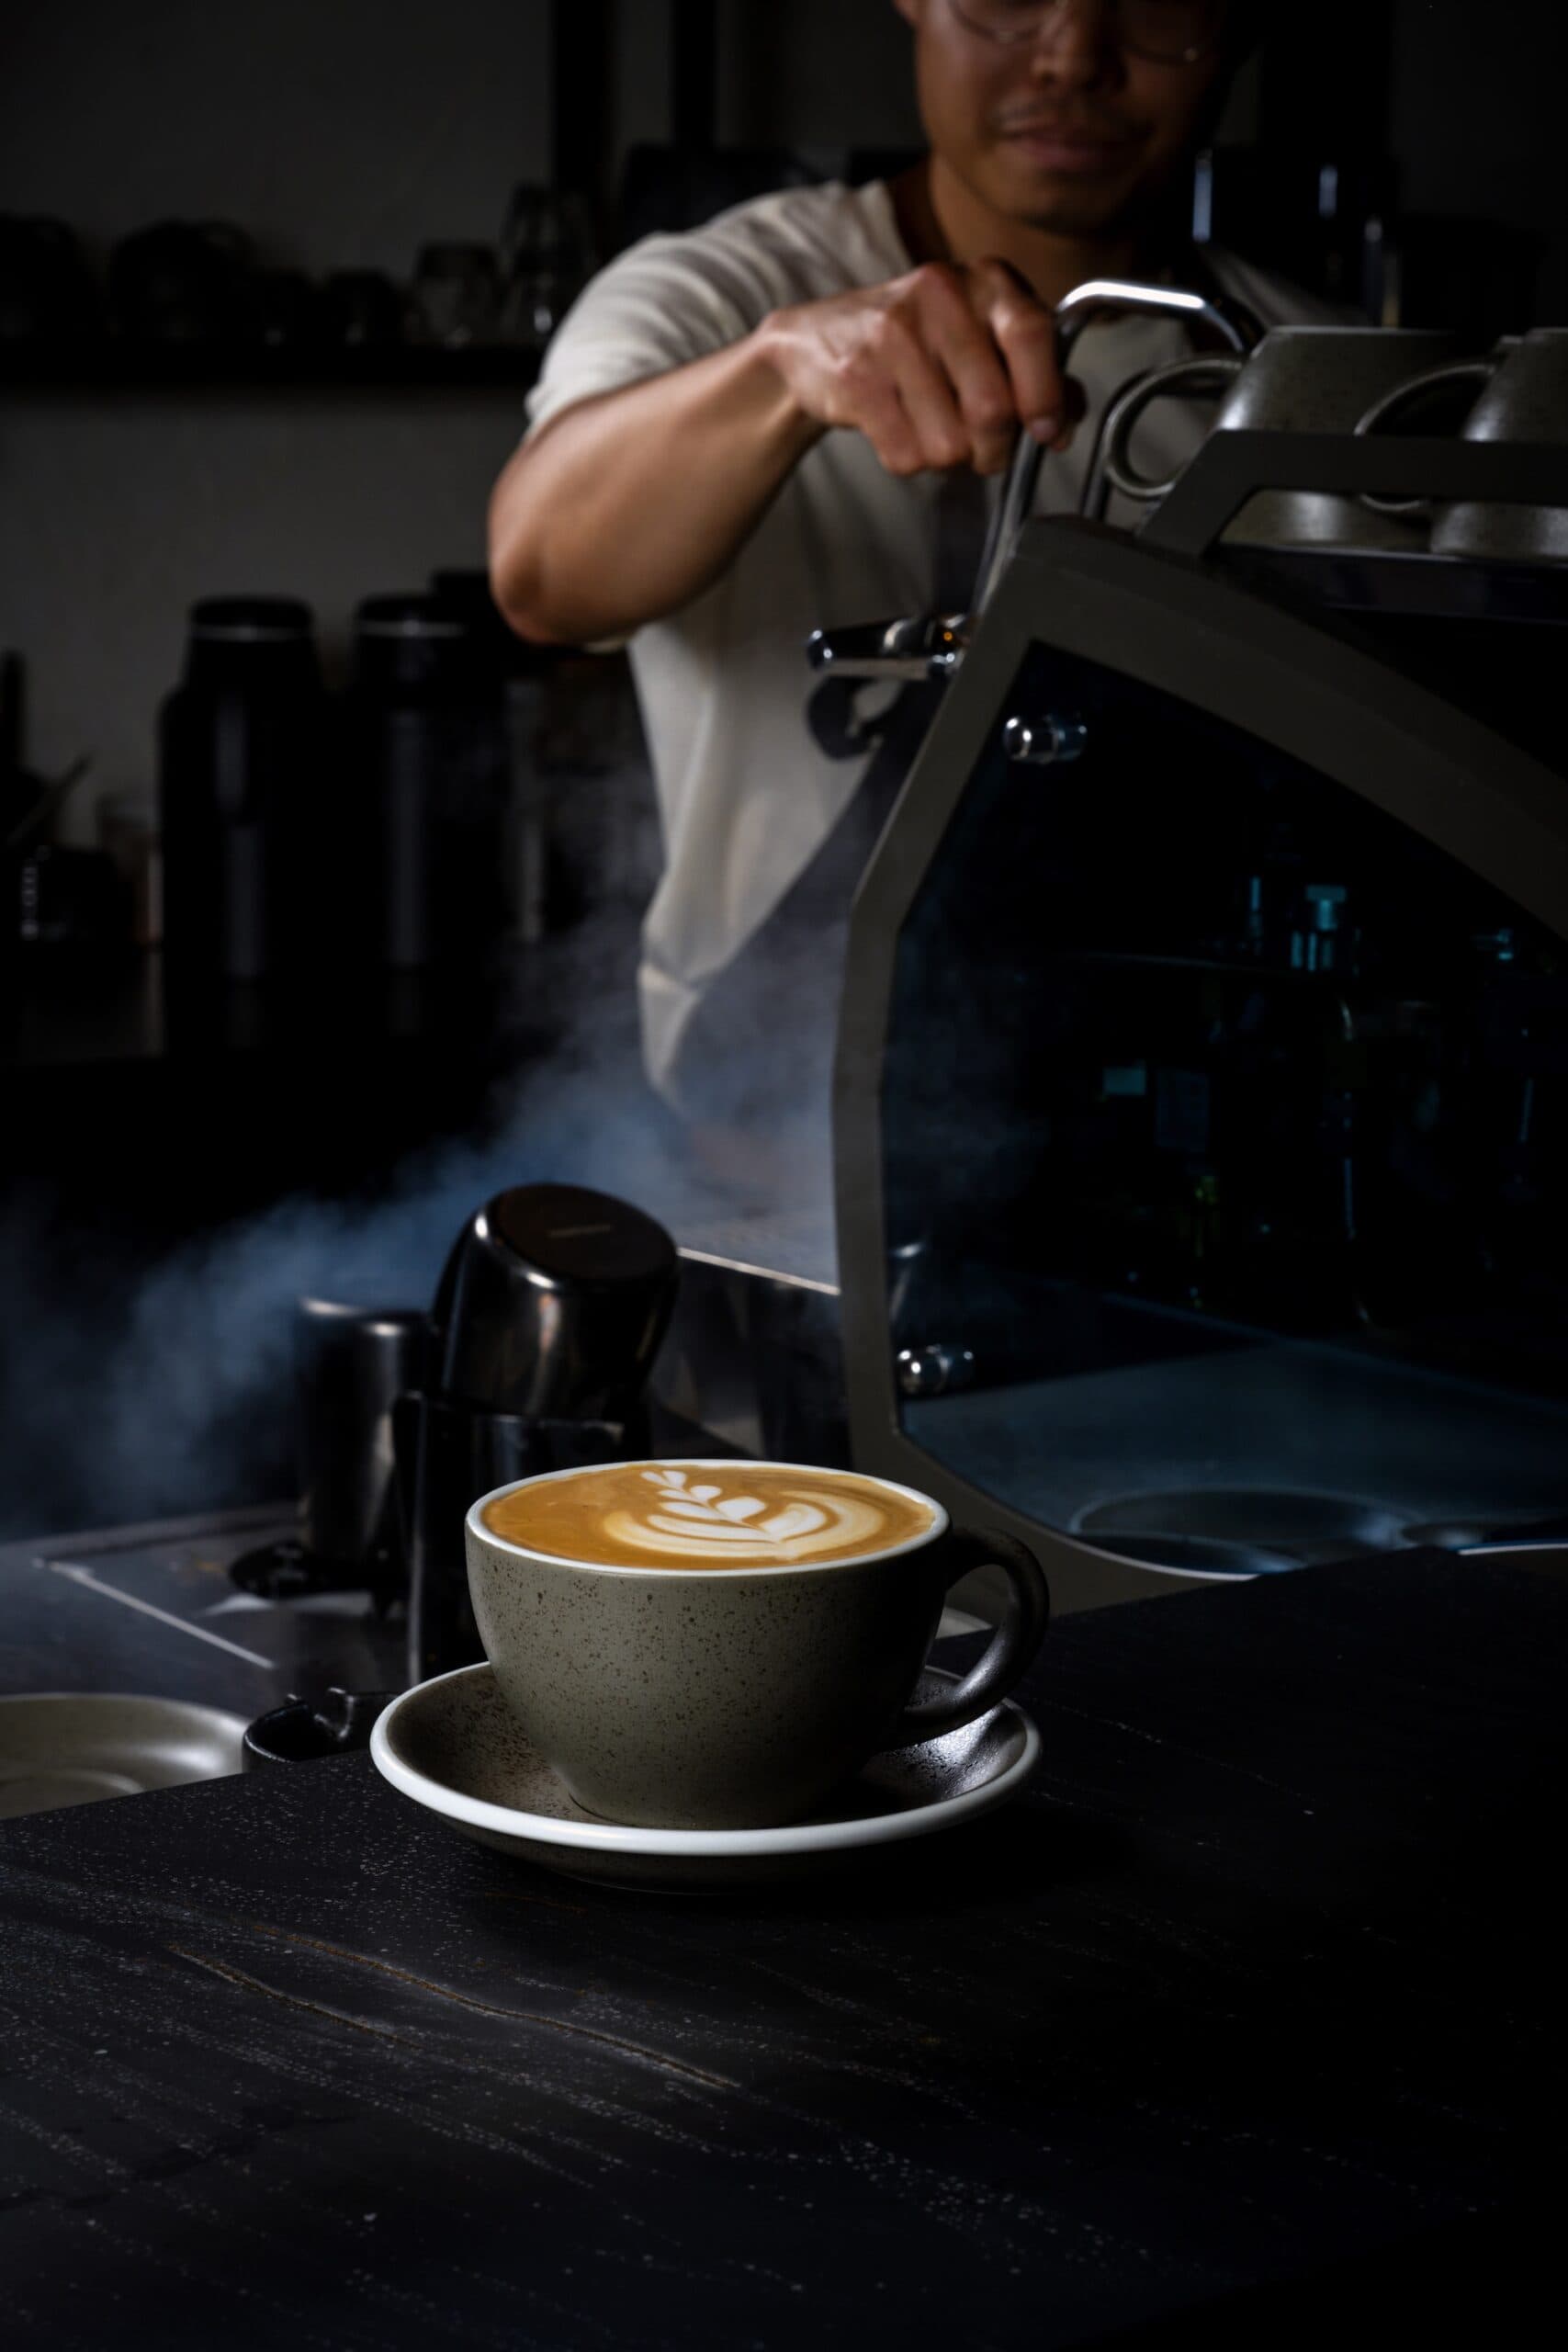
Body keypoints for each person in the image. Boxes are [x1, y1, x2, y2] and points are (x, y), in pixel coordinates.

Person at [489, 0, 1334, 1182]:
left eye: (1153, 7)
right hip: (766, 1168)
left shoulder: (1313, 378)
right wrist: (781, 376)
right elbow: (542, 573)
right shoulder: (723, 293)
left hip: (1192, 1168)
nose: (1073, 56)